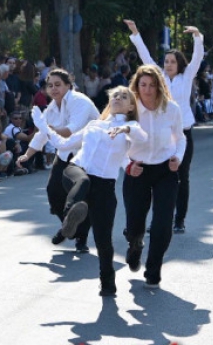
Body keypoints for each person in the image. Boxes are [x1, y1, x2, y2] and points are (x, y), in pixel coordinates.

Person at [18, 85, 145, 296]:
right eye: (115, 95)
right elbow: (64, 144)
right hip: (76, 171)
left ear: (131, 106)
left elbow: (139, 139)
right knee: (83, 183)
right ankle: (70, 218)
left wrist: (127, 139)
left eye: (124, 96)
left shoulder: (131, 128)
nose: (118, 98)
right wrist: (43, 126)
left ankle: (107, 283)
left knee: (103, 241)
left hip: (104, 185)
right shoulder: (94, 125)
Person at [125, 20, 202, 234]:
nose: (168, 65)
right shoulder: (157, 77)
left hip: (182, 133)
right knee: (156, 178)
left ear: (179, 64)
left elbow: (197, 58)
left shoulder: (186, 77)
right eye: (166, 61)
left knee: (181, 176)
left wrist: (197, 36)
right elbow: (145, 57)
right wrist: (135, 32)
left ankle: (179, 219)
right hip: (159, 135)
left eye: (172, 62)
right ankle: (158, 220)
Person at [123, 65, 186, 290]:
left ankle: (153, 269)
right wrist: (128, 165)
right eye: (143, 85)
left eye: (152, 85)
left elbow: (180, 138)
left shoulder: (171, 109)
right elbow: (116, 142)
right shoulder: (129, 109)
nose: (148, 90)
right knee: (134, 225)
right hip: (136, 170)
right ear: (136, 86)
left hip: (164, 170)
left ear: (159, 86)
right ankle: (134, 244)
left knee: (162, 224)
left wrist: (177, 157)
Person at [22, 68, 99, 251]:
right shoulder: (51, 108)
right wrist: (27, 155)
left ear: (68, 86)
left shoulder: (80, 101)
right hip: (66, 153)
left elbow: (70, 131)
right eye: (50, 86)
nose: (54, 89)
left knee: (81, 197)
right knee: (53, 191)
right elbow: (42, 135)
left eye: (58, 85)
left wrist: (46, 127)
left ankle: (81, 237)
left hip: (88, 154)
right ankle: (68, 227)